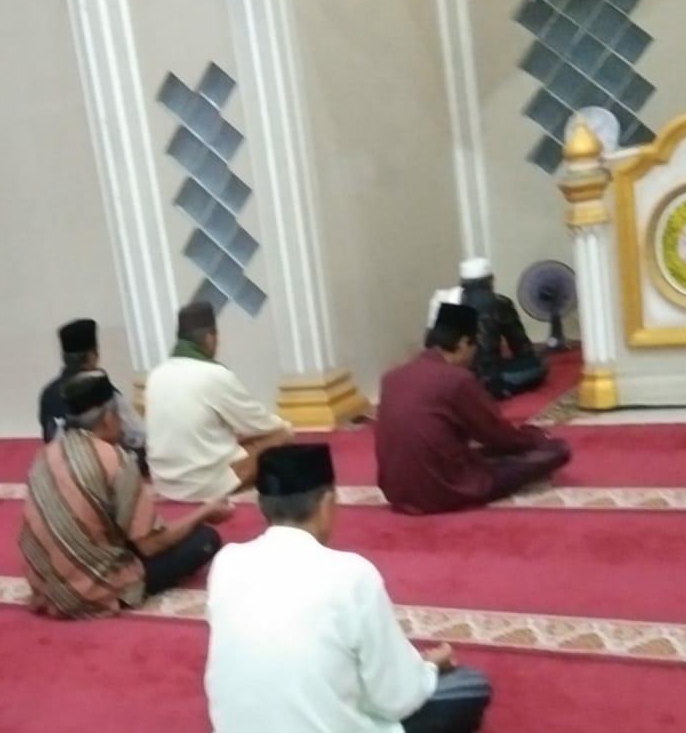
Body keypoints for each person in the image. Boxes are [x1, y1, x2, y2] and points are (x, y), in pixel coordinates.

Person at [204, 443, 492, 733]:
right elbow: (395, 699)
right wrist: (428, 668)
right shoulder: (352, 574)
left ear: (261, 505)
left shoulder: (227, 562)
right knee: (470, 685)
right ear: (327, 503)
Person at [21, 370, 234, 619]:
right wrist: (205, 512)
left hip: (45, 587)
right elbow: (151, 544)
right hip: (89, 592)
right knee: (205, 539)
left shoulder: (44, 456)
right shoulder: (114, 459)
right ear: (108, 419)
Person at [375, 303, 572, 515]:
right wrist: (536, 437)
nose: (473, 355)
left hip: (396, 492)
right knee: (556, 451)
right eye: (474, 346)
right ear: (463, 343)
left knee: (481, 452)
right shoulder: (457, 379)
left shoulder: (391, 378)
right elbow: (498, 436)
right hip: (443, 491)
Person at [144, 301, 294, 501]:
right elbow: (263, 424)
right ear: (209, 338)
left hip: (163, 483)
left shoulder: (156, 375)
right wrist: (283, 427)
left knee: (239, 438)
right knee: (282, 434)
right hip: (202, 486)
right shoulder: (214, 375)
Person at [36, 318, 147, 473]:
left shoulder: (47, 394)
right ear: (93, 355)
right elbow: (138, 436)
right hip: (103, 472)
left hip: (60, 471)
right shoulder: (103, 392)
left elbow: (49, 439)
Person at [456, 257, 547, 400]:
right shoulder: (500, 303)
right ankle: (500, 390)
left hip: (456, 379)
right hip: (489, 378)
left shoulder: (449, 303)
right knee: (539, 365)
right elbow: (521, 347)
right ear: (490, 280)